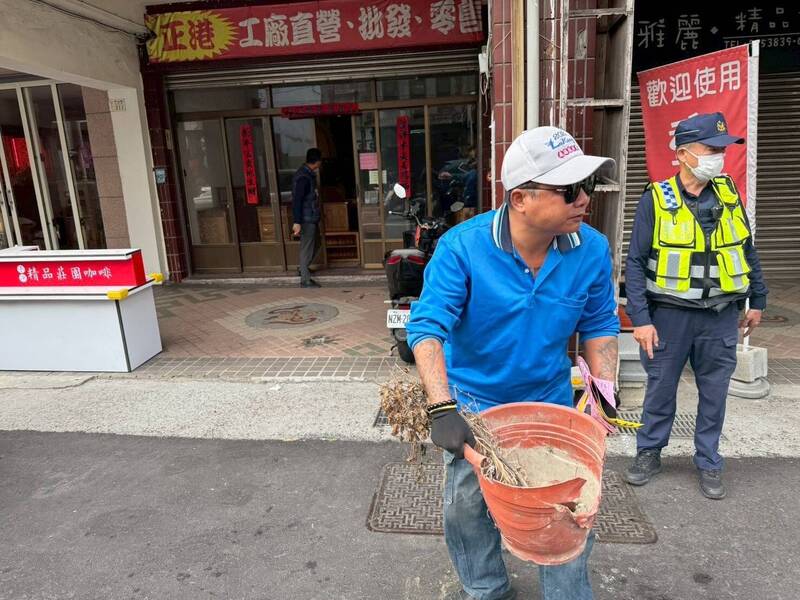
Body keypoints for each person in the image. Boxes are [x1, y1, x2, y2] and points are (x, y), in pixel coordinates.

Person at [407, 126, 619, 600]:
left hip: (549, 402)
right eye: (570, 189)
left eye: (587, 185)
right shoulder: (463, 247)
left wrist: (602, 395)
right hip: (476, 406)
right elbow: (427, 327)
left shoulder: (591, 250)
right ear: (521, 198)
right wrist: (442, 408)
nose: (585, 198)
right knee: (466, 508)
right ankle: (487, 589)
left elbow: (600, 324)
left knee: (568, 508)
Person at [623, 112, 768, 500]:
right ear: (684, 154)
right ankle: (649, 452)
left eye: (722, 149)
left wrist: (758, 298)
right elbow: (635, 262)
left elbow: (746, 249)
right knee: (660, 390)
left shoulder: (729, 194)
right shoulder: (656, 199)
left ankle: (708, 460)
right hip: (669, 317)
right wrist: (640, 319)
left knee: (715, 393)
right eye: (711, 149)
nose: (719, 156)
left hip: (721, 316)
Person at [292, 148, 322, 288]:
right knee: (307, 248)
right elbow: (297, 200)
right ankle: (305, 280)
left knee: (317, 243)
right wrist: (297, 222)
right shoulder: (303, 177)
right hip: (306, 219)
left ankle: (303, 268)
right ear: (317, 161)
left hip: (311, 217)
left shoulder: (308, 174)